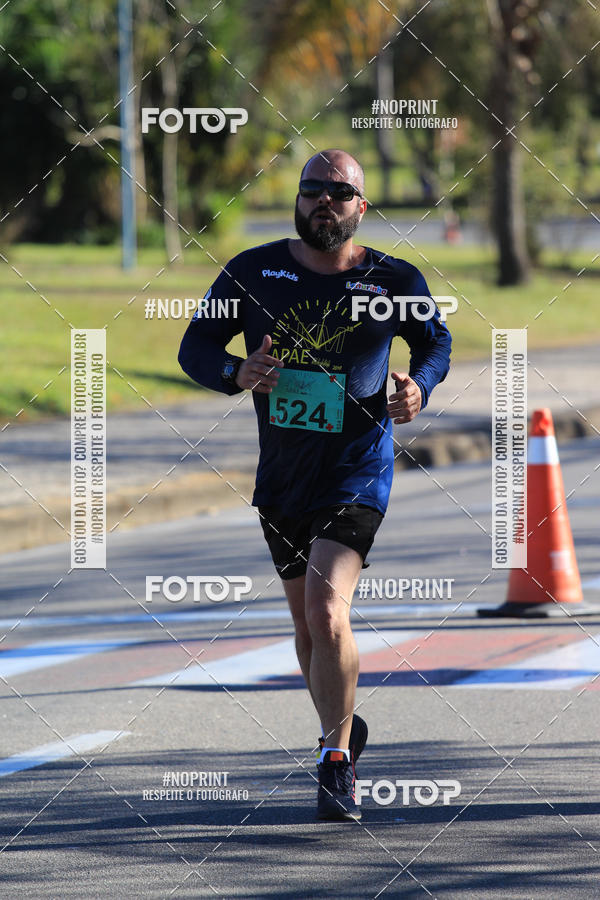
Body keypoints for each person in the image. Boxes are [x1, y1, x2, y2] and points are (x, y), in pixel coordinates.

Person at [178, 149, 451, 821]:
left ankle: (334, 762)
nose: (322, 201)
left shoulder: (394, 278)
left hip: (359, 468)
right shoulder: (252, 272)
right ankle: (344, 727)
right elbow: (195, 348)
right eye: (311, 191)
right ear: (298, 201)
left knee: (328, 610)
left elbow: (435, 342)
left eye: (338, 192)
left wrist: (421, 385)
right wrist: (236, 373)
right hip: (283, 476)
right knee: (306, 624)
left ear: (362, 207)